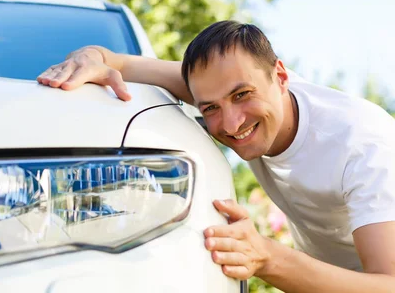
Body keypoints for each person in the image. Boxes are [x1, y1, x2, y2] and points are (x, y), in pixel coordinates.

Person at [37, 20, 395, 292]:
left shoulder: (361, 144)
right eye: (209, 107)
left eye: (242, 96)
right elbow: (108, 59)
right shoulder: (222, 86)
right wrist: (86, 60)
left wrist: (268, 258)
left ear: (281, 76)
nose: (230, 123)